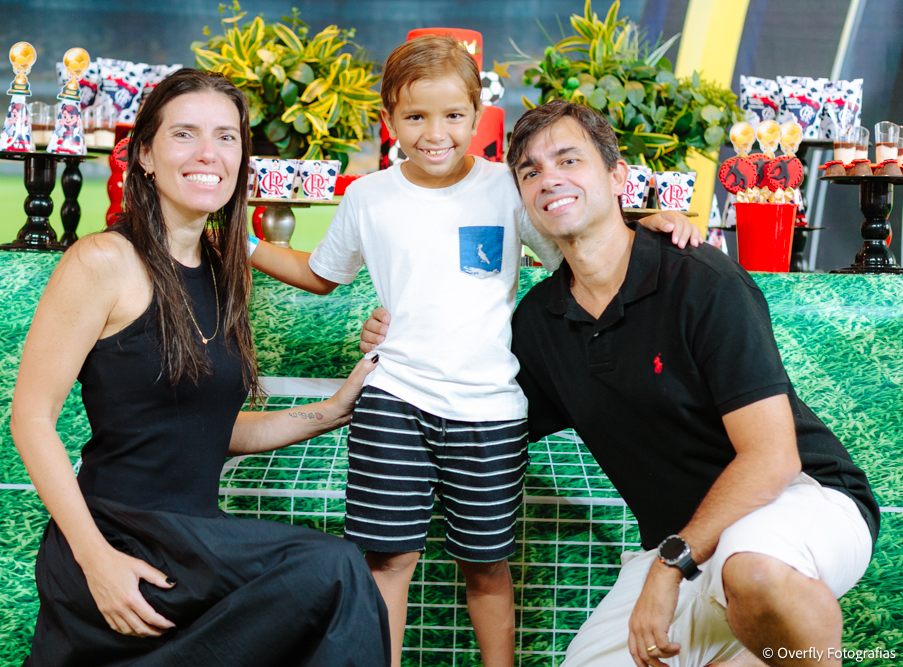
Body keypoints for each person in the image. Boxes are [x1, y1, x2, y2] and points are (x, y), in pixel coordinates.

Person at [251, 35, 702, 667]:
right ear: (389, 120)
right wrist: (237, 245)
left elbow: (580, 245)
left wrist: (650, 227)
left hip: (490, 409)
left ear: (477, 116)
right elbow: (323, 273)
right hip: (393, 399)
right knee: (387, 560)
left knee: (487, 566)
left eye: (453, 116)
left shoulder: (510, 188)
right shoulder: (368, 198)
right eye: (415, 117)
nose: (435, 133)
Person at [10, 68, 390, 666]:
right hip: (120, 539)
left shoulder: (222, 268)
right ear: (144, 156)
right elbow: (30, 419)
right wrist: (96, 559)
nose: (208, 153)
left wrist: (333, 410)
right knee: (335, 570)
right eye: (184, 135)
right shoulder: (104, 261)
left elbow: (208, 431)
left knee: (328, 593)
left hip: (192, 549)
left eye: (227, 136)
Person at [509, 101, 879, 667]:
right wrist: (397, 332)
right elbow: (483, 414)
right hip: (677, 542)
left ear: (617, 177)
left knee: (752, 568)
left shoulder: (700, 278)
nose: (549, 178)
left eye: (568, 158)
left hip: (798, 498)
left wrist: (668, 567)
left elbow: (773, 458)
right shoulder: (539, 321)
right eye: (530, 171)